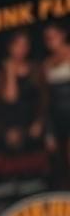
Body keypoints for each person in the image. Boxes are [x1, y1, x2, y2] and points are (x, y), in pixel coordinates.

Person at [0, 30, 47, 153]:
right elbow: (11, 98)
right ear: (10, 47)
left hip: (33, 126)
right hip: (10, 129)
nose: (21, 49)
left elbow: (44, 99)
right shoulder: (1, 74)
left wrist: (39, 122)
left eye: (25, 45)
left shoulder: (36, 69)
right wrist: (10, 72)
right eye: (17, 45)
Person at [43, 22, 70, 186]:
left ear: (63, 35)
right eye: (46, 39)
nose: (49, 41)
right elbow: (47, 100)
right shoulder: (47, 64)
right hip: (59, 118)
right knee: (61, 162)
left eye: (52, 37)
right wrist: (49, 131)